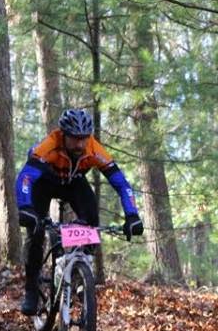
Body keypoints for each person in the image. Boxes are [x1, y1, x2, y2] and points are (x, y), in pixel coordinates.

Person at [15, 108, 144, 315]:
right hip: (44, 184)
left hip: (73, 183)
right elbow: (25, 178)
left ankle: (81, 274)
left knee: (91, 220)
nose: (80, 144)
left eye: (84, 138)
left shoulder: (94, 149)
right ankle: (31, 290)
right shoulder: (49, 146)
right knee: (36, 232)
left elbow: (121, 184)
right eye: (75, 139)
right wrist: (25, 208)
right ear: (63, 135)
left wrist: (132, 215)